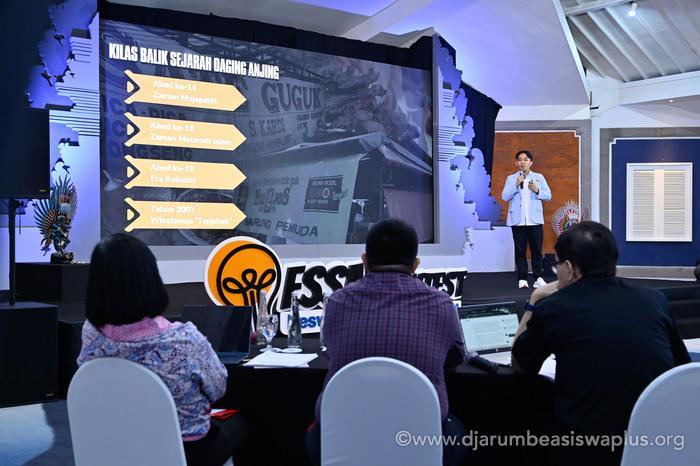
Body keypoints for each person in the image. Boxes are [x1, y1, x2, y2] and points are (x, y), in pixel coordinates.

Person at [511, 221, 690, 465]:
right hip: (659, 442)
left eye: (557, 266)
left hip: (586, 448)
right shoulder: (654, 299)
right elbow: (681, 366)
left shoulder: (555, 307)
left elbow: (520, 365)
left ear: (569, 268)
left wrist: (535, 299)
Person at [305, 219, 468, 466]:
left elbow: (333, 351)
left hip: (340, 437)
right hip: (420, 440)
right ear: (415, 264)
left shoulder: (337, 303)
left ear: (365, 260)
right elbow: (455, 358)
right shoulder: (441, 304)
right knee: (457, 436)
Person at [77, 234, 246, 466]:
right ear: (150, 279)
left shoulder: (91, 334)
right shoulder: (184, 340)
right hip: (184, 452)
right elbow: (218, 388)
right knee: (244, 423)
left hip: (113, 446)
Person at [501, 150, 551, 289]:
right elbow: (505, 196)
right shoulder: (511, 178)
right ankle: (522, 279)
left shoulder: (539, 177)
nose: (522, 162)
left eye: (525, 159)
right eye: (520, 159)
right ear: (516, 163)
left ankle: (538, 278)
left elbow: (548, 195)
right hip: (517, 221)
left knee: (536, 250)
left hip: (534, 220)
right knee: (520, 250)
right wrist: (516, 185)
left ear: (531, 162)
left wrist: (537, 190)